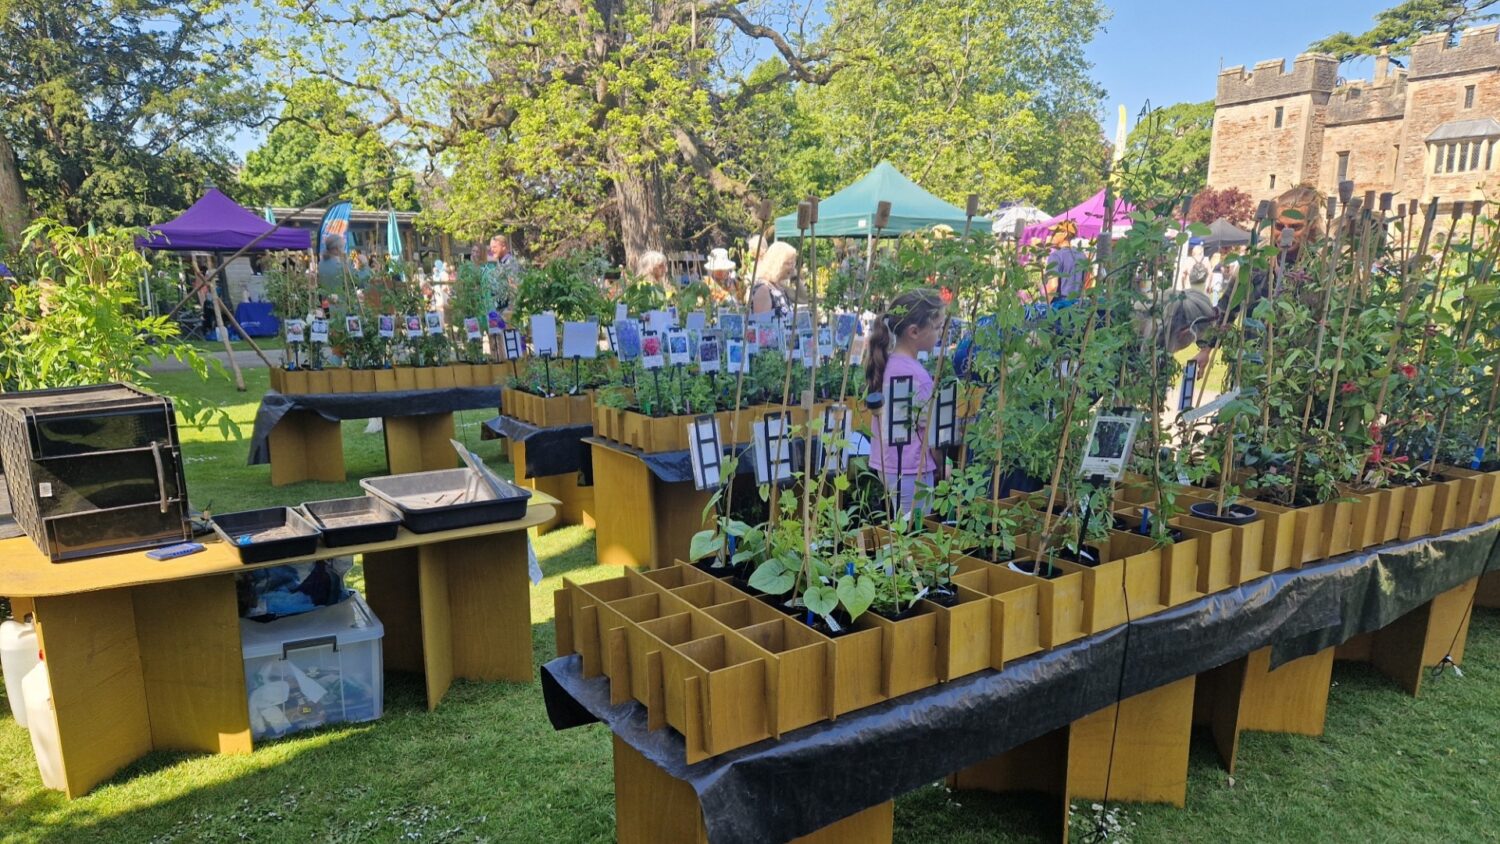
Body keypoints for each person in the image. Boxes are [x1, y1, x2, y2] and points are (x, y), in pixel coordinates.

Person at [866, 288, 946, 516]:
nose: (940, 333)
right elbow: (932, 434)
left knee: (900, 529)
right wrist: (942, 465)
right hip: (913, 470)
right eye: (938, 327)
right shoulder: (918, 377)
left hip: (887, 465)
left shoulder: (889, 365)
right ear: (914, 332)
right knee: (915, 535)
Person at [1043, 220, 1088, 304]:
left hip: (1060, 305)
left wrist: (1045, 306)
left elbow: (1053, 286)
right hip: (1077, 305)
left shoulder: (1056, 256)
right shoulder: (1082, 256)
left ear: (1065, 234)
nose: (1052, 235)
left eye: (1055, 232)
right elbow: (1087, 282)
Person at [749, 241, 797, 318]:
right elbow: (762, 326)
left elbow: (803, 298)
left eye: (793, 263)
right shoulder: (763, 290)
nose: (792, 267)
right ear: (776, 263)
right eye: (788, 263)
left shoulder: (779, 287)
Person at [483, 235, 521, 312]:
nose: (492, 250)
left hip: (508, 310)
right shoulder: (500, 263)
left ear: (503, 246)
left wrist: (510, 311)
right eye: (491, 247)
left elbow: (514, 287)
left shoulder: (510, 263)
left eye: (494, 247)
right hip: (500, 309)